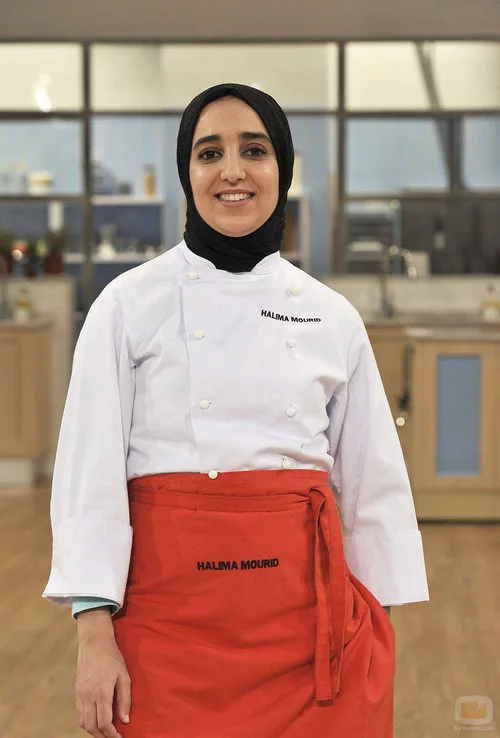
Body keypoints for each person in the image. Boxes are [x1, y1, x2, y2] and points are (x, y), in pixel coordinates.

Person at [43, 83, 429, 738]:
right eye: (209, 153)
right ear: (186, 172)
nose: (231, 171)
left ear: (282, 168)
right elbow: (89, 478)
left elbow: (373, 485)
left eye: (254, 150)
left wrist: (377, 632)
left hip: (309, 631)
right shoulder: (128, 305)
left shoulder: (330, 315)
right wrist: (92, 636)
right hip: (165, 628)